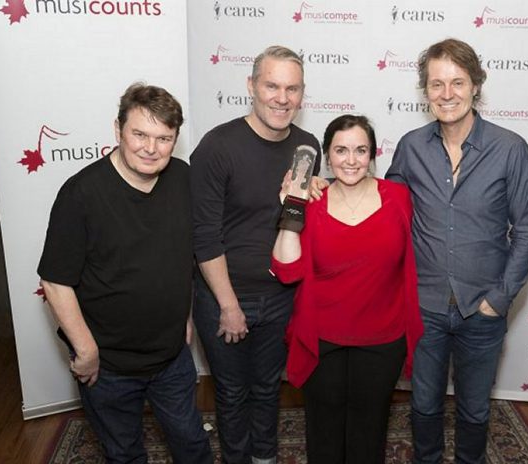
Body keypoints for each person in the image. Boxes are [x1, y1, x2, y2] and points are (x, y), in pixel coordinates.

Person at [38, 83, 213, 464]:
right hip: (108, 367)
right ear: (118, 130)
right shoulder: (81, 194)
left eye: (164, 138)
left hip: (171, 359)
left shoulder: (183, 179)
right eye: (140, 134)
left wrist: (184, 316)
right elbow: (55, 280)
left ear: (175, 140)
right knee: (124, 454)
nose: (151, 148)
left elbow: (184, 255)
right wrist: (85, 350)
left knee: (193, 446)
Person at [385, 38, 528, 464]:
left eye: (457, 82)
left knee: (474, 410)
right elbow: (382, 210)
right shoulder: (411, 147)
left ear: (476, 86)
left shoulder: (510, 149)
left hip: (482, 308)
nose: (447, 93)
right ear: (426, 91)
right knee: (424, 406)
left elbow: (526, 229)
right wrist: (326, 189)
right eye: (437, 84)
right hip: (426, 307)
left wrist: (500, 298)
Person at [190, 45, 321, 464]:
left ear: (302, 94)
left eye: (292, 88)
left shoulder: (307, 146)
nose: (282, 98)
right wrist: (228, 305)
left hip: (282, 296)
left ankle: (264, 458)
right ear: (251, 86)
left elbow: (299, 219)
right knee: (231, 392)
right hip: (226, 298)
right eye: (272, 86)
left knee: (268, 389)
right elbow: (204, 235)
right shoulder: (217, 146)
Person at [271, 114, 423, 463]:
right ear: (327, 154)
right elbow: (286, 268)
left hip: (383, 339)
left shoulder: (399, 198)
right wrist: (293, 204)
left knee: (369, 432)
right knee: (323, 431)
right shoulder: (312, 201)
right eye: (341, 150)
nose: (351, 160)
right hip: (323, 338)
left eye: (360, 150)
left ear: (372, 155)